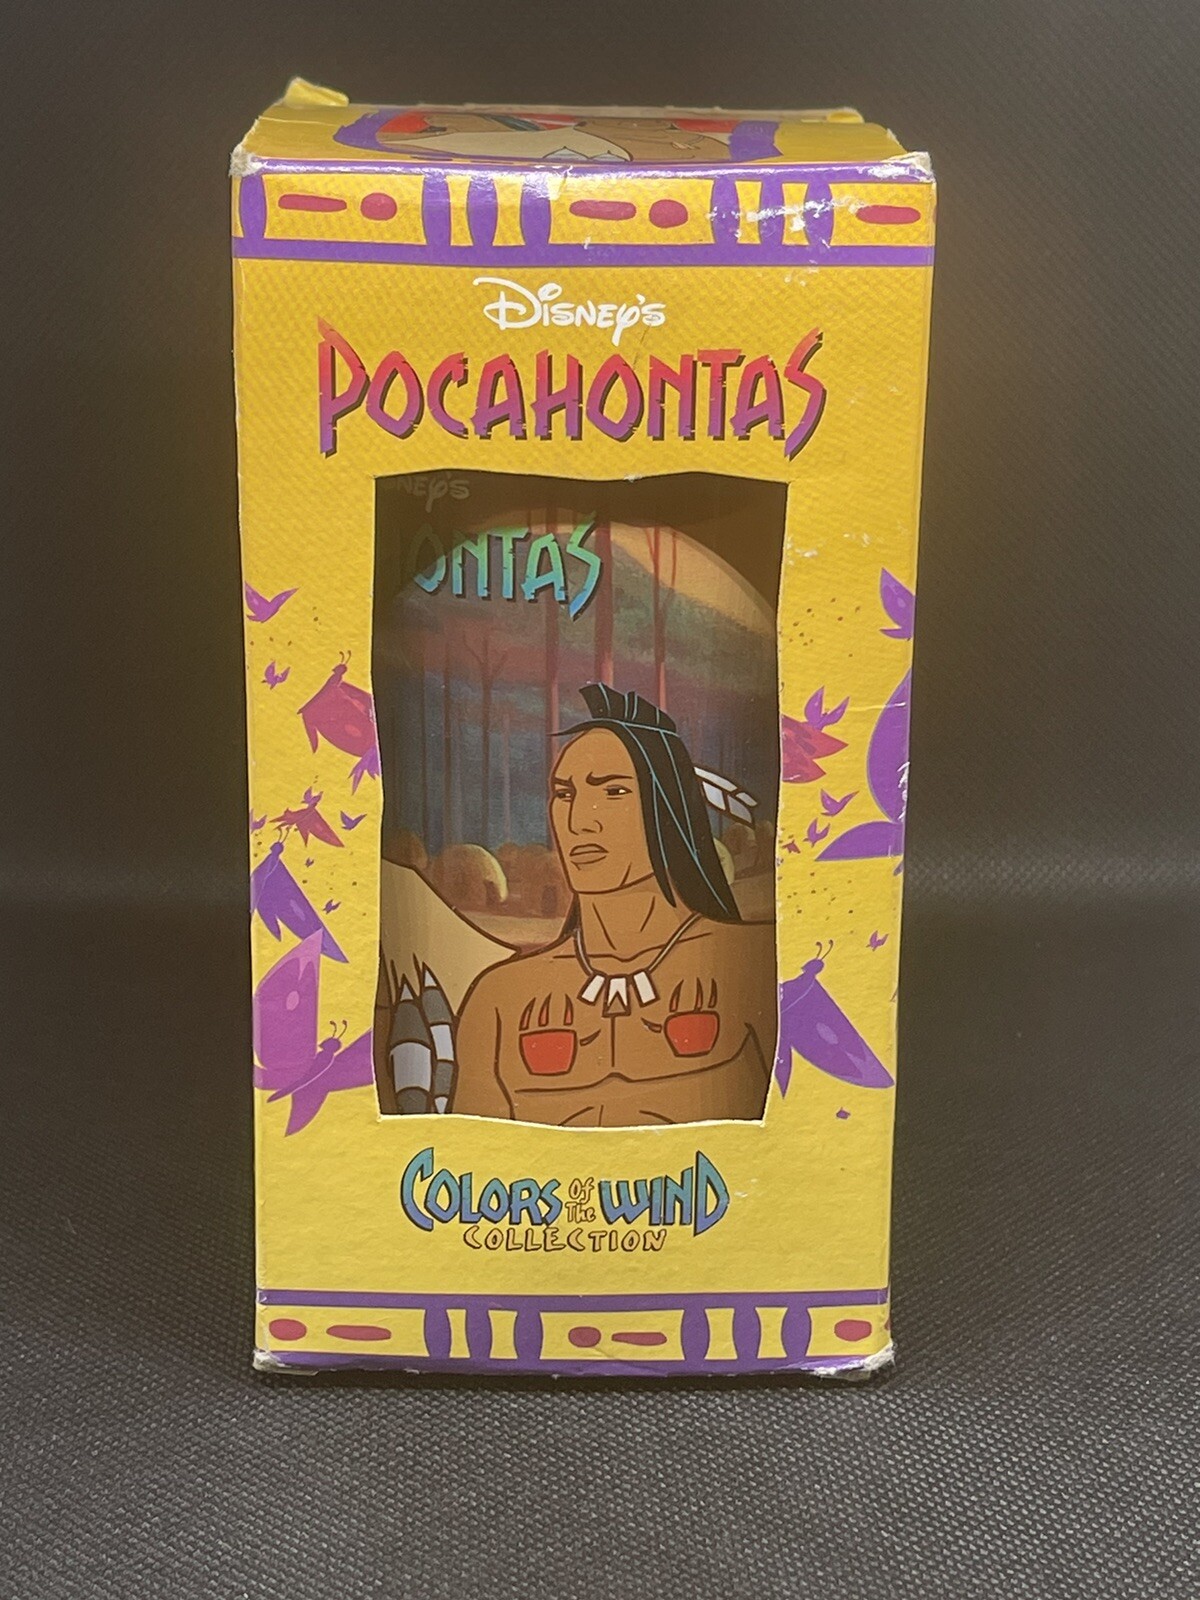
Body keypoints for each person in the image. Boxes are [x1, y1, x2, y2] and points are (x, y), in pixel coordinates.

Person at [450, 685, 775, 1126]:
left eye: (614, 791)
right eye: (565, 794)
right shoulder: (500, 1000)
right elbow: (472, 1158)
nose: (580, 820)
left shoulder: (754, 964)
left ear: (668, 807)